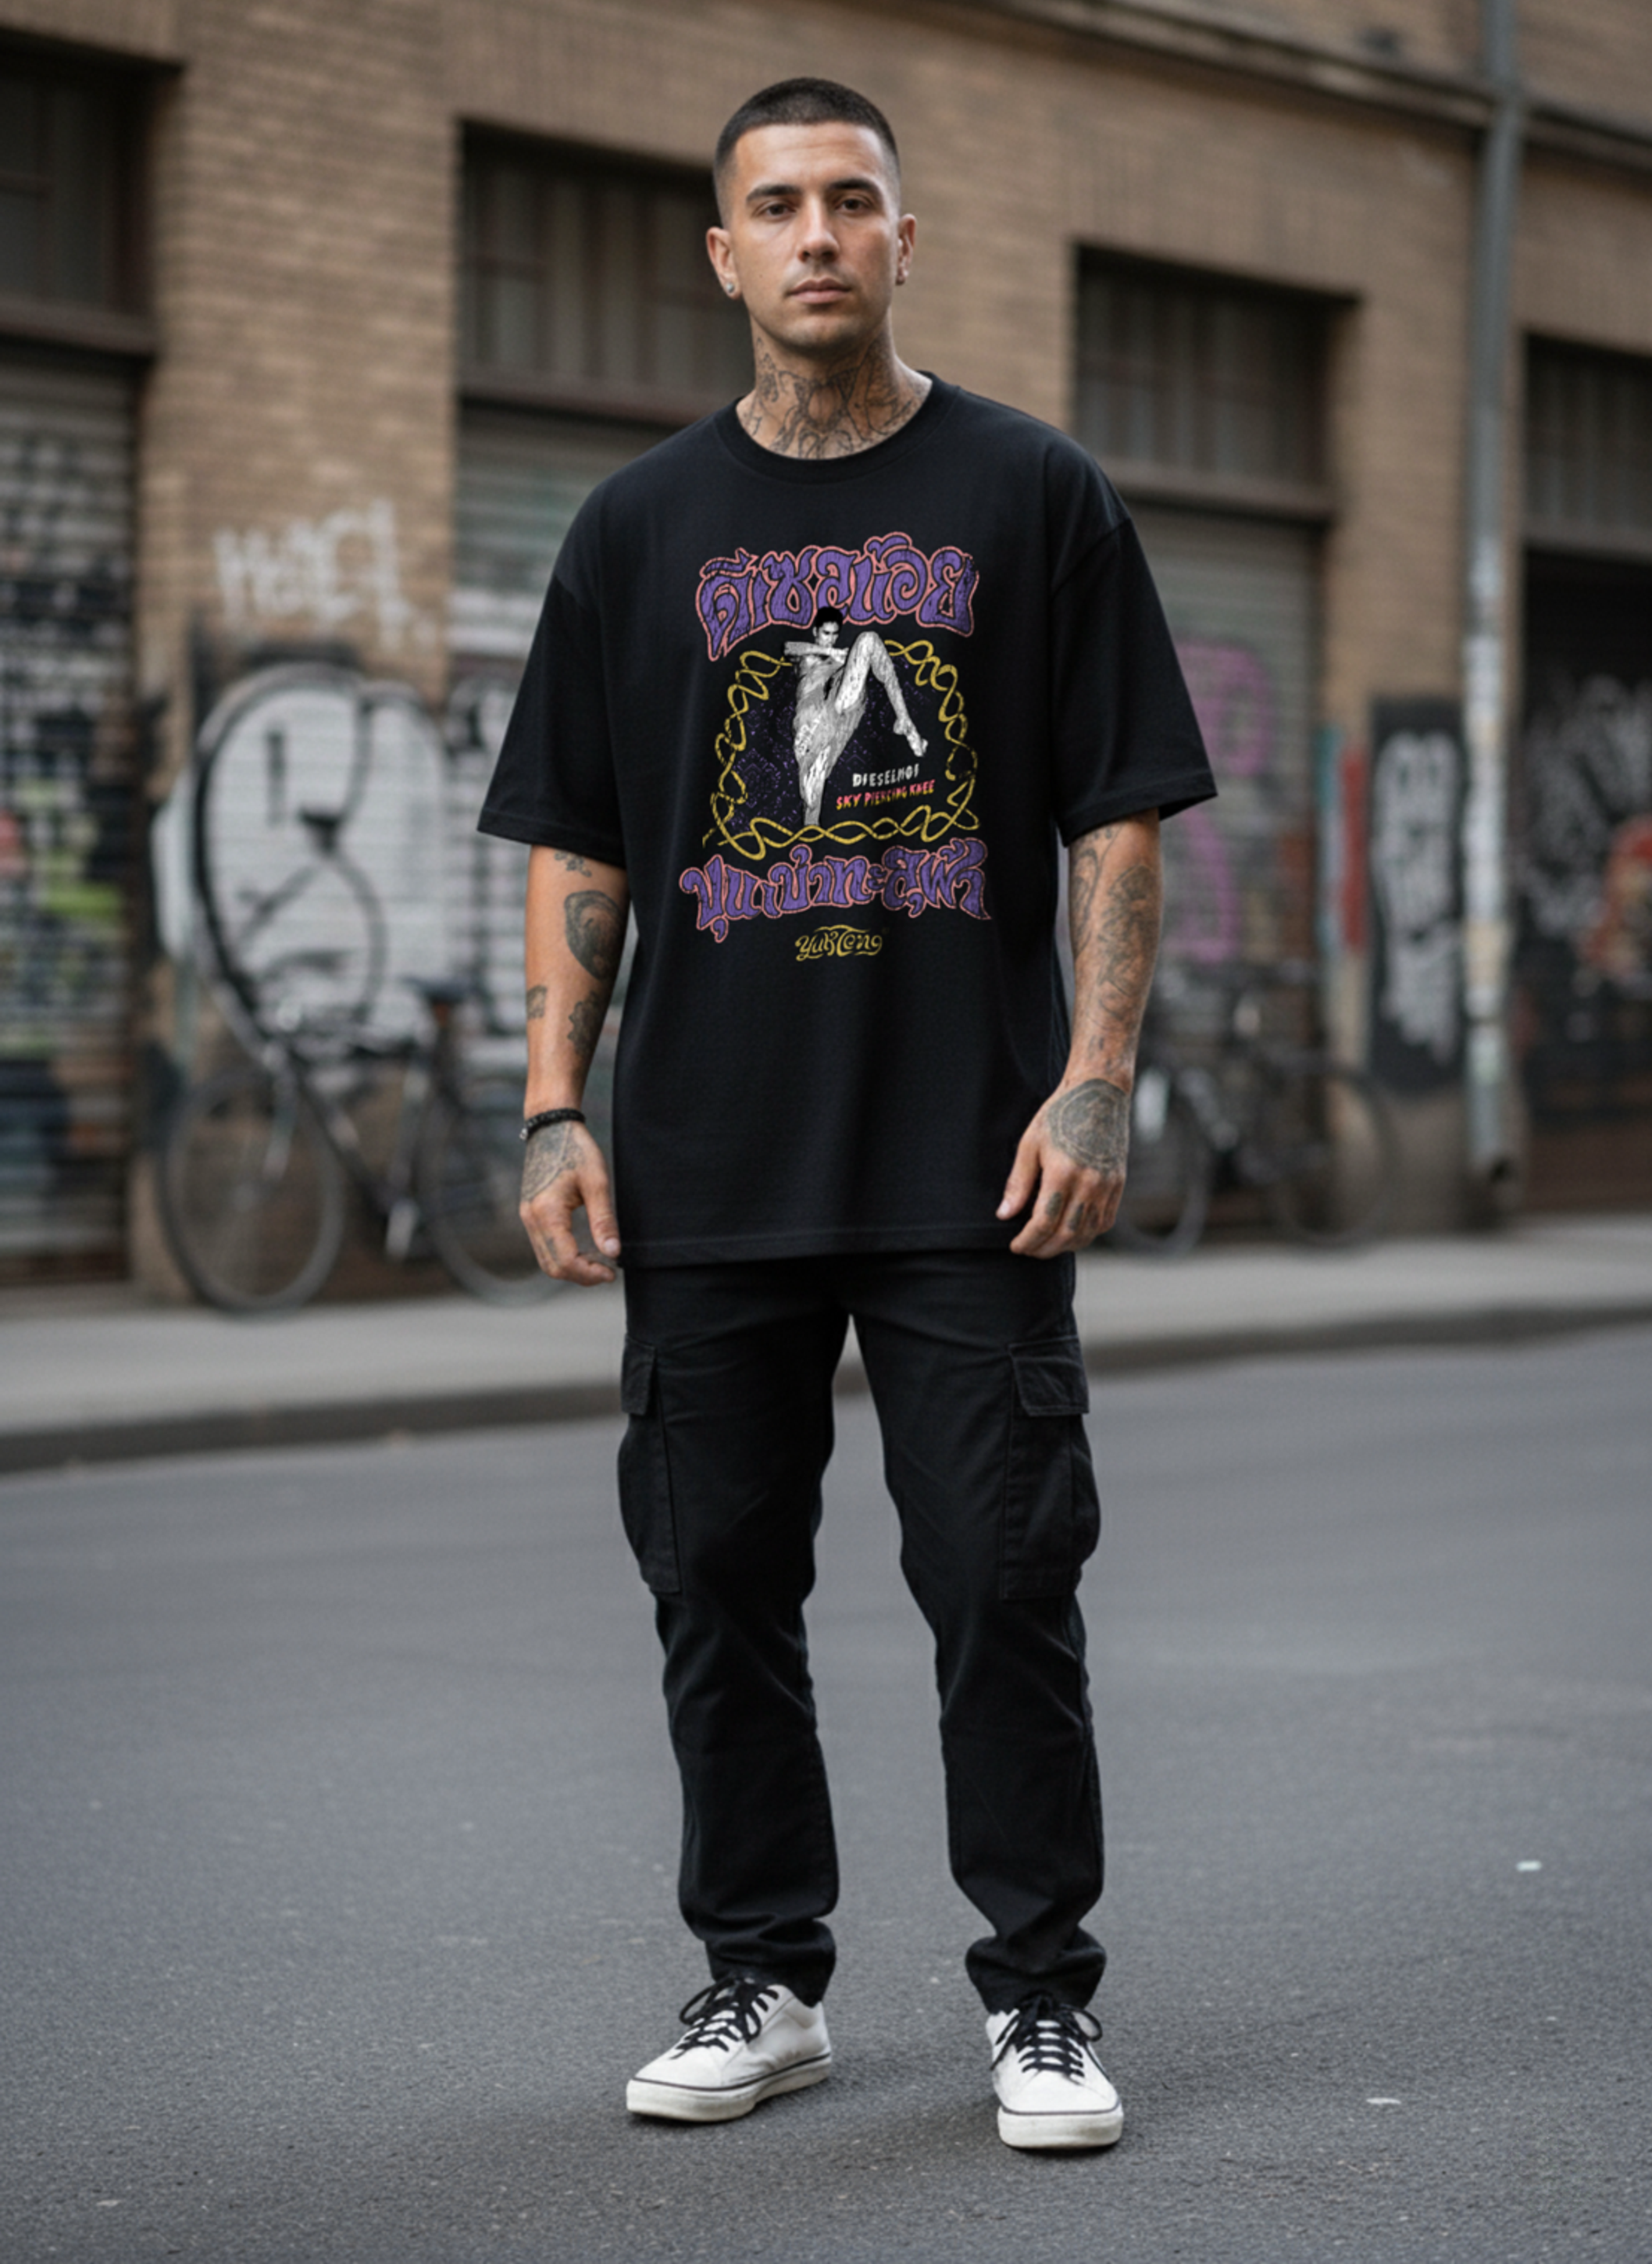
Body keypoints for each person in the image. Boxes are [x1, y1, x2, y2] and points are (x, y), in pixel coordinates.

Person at [479, 76, 1215, 2152]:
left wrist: (1095, 1076)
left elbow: (1119, 815)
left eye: (851, 202)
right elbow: (576, 842)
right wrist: (551, 1104)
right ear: (721, 254)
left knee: (999, 1572)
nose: (815, 235)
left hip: (968, 1155)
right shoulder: (635, 529)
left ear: (907, 239)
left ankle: (1040, 2000)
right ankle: (762, 1972)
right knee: (715, 1576)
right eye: (774, 206)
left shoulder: (1029, 491)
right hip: (706, 1164)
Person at [783, 605, 927, 823]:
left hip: (842, 704)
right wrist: (831, 652)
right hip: (813, 719)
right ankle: (810, 843)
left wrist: (844, 658)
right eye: (825, 634)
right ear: (815, 632)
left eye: (834, 635)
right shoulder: (807, 658)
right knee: (812, 795)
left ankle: (904, 719)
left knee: (869, 639)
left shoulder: (843, 659)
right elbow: (788, 647)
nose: (830, 640)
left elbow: (864, 660)